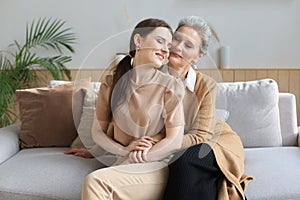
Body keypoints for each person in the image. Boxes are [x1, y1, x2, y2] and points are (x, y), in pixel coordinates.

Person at [70, 16, 253, 200]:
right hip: (165, 147)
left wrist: (151, 144)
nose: (178, 47)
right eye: (176, 40)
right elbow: (124, 116)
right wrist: (97, 149)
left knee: (188, 164)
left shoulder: (205, 85)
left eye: (188, 46)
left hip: (206, 141)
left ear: (199, 56)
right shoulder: (150, 70)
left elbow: (199, 135)